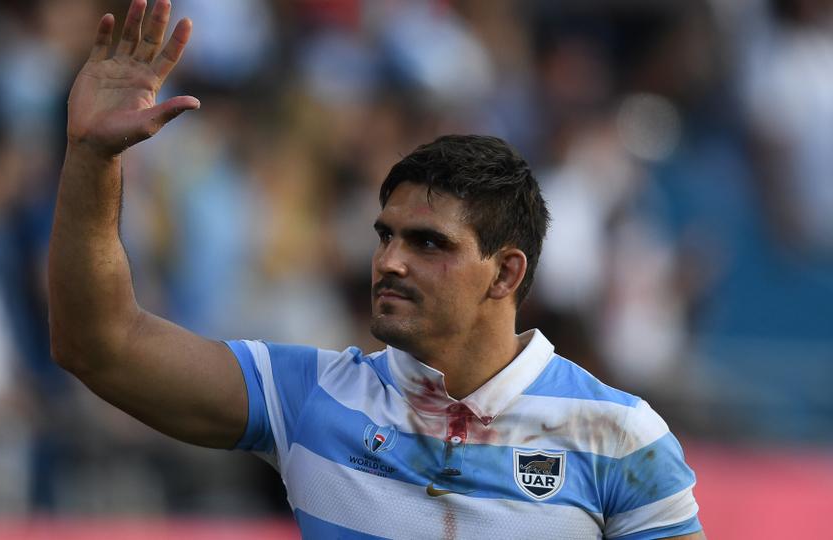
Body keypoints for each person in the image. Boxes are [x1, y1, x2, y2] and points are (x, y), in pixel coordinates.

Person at [48, 1, 704, 538]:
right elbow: (98, 345)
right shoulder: (311, 397)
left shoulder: (620, 438)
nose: (389, 261)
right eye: (385, 236)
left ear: (505, 274)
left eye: (428, 244)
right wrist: (90, 158)